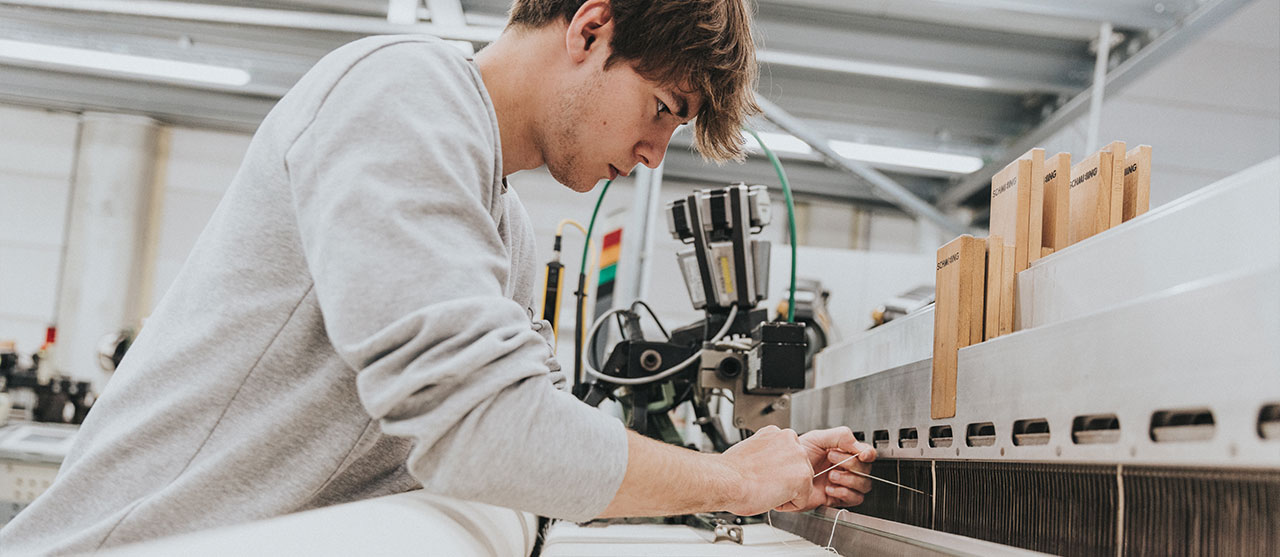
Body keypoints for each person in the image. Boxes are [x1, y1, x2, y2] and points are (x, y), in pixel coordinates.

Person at [0, 0, 875, 553]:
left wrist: (759, 468)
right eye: (662, 110)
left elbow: (525, 452)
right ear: (591, 28)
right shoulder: (401, 93)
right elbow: (488, 432)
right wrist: (734, 479)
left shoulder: (506, 227)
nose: (653, 157)